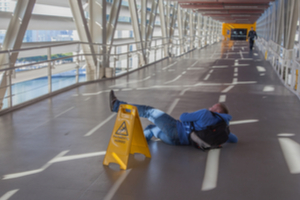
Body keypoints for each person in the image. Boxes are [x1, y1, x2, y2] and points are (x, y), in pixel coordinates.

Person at [109, 90, 238, 146]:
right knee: (152, 129)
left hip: (175, 129)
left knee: (149, 111)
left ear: (216, 110)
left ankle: (117, 106)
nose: (210, 107)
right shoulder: (221, 127)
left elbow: (183, 117)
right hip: (179, 142)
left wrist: (192, 114)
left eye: (213, 107)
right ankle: (137, 142)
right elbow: (234, 139)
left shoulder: (205, 114)